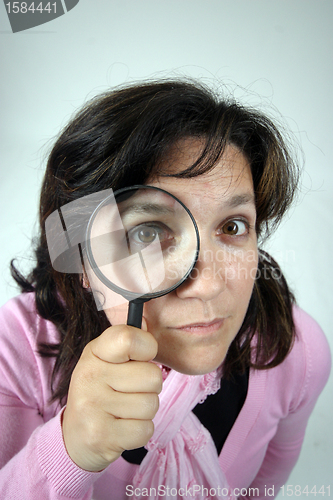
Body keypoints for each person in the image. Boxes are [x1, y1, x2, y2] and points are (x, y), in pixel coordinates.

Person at [0, 80, 330, 500]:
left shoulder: (297, 354)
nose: (208, 286)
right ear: (82, 258)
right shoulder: (15, 348)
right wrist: (69, 451)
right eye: (147, 232)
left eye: (232, 226)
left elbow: (263, 485)